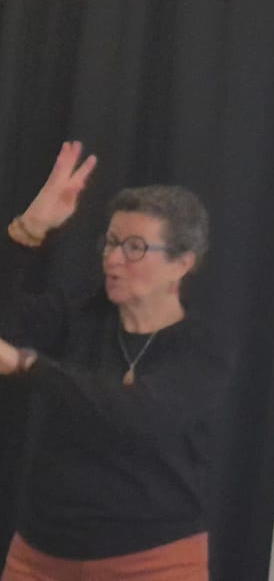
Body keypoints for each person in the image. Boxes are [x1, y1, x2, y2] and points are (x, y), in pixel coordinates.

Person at [0, 142, 230, 580]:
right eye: (110, 243)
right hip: (41, 556)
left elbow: (138, 415)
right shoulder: (78, 316)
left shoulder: (203, 347)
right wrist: (29, 229)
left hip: (155, 562)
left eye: (135, 247)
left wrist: (29, 366)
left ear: (182, 263)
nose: (113, 259)